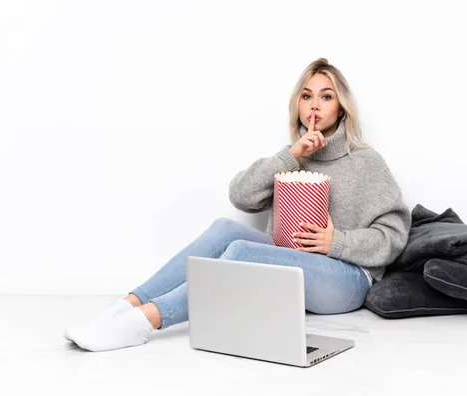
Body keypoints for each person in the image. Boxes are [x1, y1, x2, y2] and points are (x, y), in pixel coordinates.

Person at [63, 58, 412, 352]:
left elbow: (395, 236)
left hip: (347, 278)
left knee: (243, 252)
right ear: (298, 104)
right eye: (306, 96)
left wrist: (337, 242)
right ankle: (124, 307)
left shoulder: (365, 162)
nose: (314, 105)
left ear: (341, 107)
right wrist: (291, 155)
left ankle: (145, 322)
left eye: (326, 96)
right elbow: (241, 197)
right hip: (294, 263)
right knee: (224, 230)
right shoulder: (294, 157)